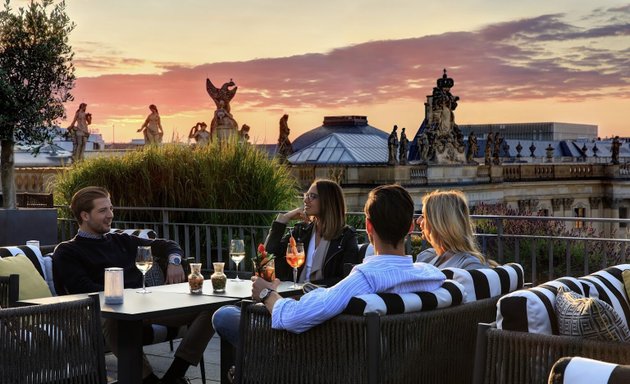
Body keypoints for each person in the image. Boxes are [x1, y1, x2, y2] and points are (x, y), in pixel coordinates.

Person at [213, 184, 445, 348]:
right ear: (410, 229)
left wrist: (266, 293)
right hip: (395, 360)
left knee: (224, 315)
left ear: (369, 226)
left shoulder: (363, 280)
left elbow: (292, 318)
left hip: (319, 357)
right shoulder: (434, 276)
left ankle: (256, 369)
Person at [52, 186, 213, 384]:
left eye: (111, 209)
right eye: (103, 211)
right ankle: (150, 381)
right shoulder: (67, 251)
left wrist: (174, 262)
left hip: (144, 307)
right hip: (105, 312)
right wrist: (129, 297)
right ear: (85, 215)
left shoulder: (122, 239)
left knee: (213, 308)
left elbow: (166, 245)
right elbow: (84, 289)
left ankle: (174, 375)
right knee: (114, 319)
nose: (110, 215)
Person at [415, 190, 489, 270]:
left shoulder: (470, 266)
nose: (418, 221)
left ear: (439, 223)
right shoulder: (426, 257)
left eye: (423, 216)